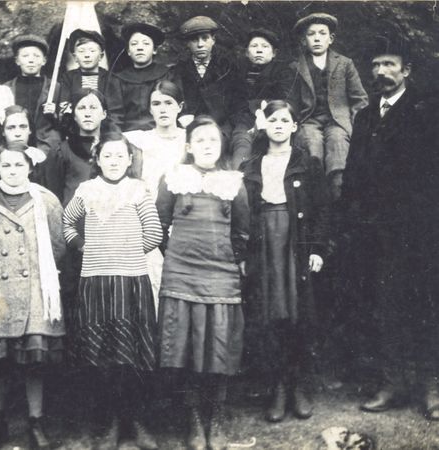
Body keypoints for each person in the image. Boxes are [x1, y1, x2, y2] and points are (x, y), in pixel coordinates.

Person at [339, 33, 439, 420]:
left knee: (426, 306)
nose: (381, 71)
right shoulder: (365, 116)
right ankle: (392, 383)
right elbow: (353, 174)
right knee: (385, 307)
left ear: (406, 70)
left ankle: (431, 386)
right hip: (376, 233)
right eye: (376, 65)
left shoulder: (426, 111)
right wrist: (353, 219)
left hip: (420, 232)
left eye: (389, 65)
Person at [63, 133, 162, 450]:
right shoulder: (87, 190)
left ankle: (134, 423)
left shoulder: (138, 190)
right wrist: (85, 247)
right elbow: (67, 223)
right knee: (102, 357)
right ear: (97, 159)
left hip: (131, 281)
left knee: (132, 356)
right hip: (96, 282)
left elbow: (155, 233)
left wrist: (126, 253)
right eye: (107, 156)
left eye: (120, 155)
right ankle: (110, 425)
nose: (114, 161)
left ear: (130, 160)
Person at [156, 116, 249, 450]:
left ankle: (217, 417)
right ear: (189, 146)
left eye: (213, 140)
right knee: (187, 348)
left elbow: (242, 232)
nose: (207, 146)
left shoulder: (233, 183)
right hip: (182, 273)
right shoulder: (173, 178)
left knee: (219, 348)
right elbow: (160, 226)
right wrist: (179, 258)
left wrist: (224, 260)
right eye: (200, 140)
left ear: (221, 146)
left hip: (220, 274)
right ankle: (194, 418)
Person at [0, 143, 66, 447]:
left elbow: (58, 246)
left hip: (35, 292)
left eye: (19, 165)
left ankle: (36, 422)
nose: (12, 171)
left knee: (34, 362)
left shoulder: (46, 201)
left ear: (30, 168)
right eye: (6, 165)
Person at [241, 100, 329, 423]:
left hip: (295, 241)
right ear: (264, 126)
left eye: (284, 121)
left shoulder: (307, 163)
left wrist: (317, 249)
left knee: (297, 313)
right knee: (270, 313)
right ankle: (277, 386)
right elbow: (243, 214)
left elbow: (321, 209)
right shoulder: (251, 166)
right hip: (264, 241)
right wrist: (243, 254)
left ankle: (297, 385)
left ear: (294, 127)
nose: (278, 126)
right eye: (272, 120)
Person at [289, 13, 368, 200]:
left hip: (338, 120)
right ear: (304, 40)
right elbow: (291, 101)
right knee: (311, 145)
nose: (317, 38)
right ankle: (317, 201)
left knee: (338, 144)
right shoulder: (295, 66)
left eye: (322, 33)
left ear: (331, 39)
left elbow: (359, 99)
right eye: (311, 34)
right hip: (309, 120)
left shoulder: (345, 64)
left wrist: (358, 125)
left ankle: (339, 199)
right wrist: (292, 123)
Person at [124, 80, 186, 304]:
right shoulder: (139, 140)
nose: (163, 109)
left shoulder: (189, 140)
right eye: (156, 104)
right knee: (153, 284)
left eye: (168, 103)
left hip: (182, 221)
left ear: (180, 106)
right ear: (150, 109)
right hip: (148, 221)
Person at [171, 16, 249, 168]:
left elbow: (240, 105)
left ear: (213, 40)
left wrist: (231, 129)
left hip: (223, 128)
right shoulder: (179, 70)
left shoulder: (228, 68)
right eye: (194, 40)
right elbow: (176, 101)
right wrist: (183, 118)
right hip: (192, 128)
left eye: (205, 38)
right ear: (187, 43)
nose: (200, 44)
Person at [232, 28, 297, 168]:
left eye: (265, 46)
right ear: (246, 52)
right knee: (242, 141)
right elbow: (235, 101)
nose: (259, 50)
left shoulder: (283, 71)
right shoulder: (239, 72)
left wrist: (263, 113)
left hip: (274, 119)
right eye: (254, 46)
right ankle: (239, 176)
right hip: (246, 120)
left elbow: (287, 101)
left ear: (274, 53)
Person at [107, 22, 180, 132]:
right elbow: (114, 116)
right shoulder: (118, 79)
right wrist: (116, 137)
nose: (140, 48)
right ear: (128, 51)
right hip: (129, 134)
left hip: (162, 132)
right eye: (134, 44)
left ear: (154, 50)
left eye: (146, 44)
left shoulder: (168, 74)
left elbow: (175, 108)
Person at [5, 34, 62, 155]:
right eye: (25, 56)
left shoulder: (55, 87)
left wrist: (54, 115)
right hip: (15, 145)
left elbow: (64, 123)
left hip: (46, 146)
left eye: (36, 56)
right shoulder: (6, 88)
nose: (31, 60)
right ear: (17, 61)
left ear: (44, 61)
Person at [59, 29, 110, 109]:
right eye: (81, 51)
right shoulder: (68, 78)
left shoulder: (110, 78)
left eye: (92, 51)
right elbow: (64, 104)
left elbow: (115, 108)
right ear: (75, 57)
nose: (87, 55)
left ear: (101, 56)